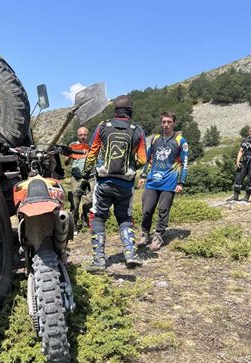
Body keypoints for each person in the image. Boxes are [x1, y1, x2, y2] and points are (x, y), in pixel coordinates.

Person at [80, 95, 147, 268]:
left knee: (98, 216)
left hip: (104, 182)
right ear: (130, 112)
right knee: (125, 217)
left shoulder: (103, 126)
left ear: (115, 111)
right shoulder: (137, 130)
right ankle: (131, 254)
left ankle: (99, 260)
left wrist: (85, 176)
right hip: (125, 183)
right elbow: (142, 159)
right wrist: (130, 164)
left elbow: (92, 153)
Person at [137, 111, 188, 251]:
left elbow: (184, 162)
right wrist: (143, 176)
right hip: (152, 180)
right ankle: (145, 233)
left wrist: (181, 182)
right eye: (164, 122)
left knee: (163, 210)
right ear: (161, 123)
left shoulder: (180, 141)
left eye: (169, 122)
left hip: (169, 181)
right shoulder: (155, 139)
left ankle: (158, 236)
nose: (166, 125)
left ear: (174, 123)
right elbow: (149, 159)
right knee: (147, 209)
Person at [64, 126, 93, 233]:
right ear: (78, 135)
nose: (83, 136)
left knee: (90, 201)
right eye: (80, 134)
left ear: (87, 135)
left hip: (91, 176)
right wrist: (69, 154)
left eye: (84, 134)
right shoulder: (73, 145)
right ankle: (74, 225)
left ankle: (85, 217)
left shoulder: (92, 145)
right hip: (76, 177)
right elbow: (66, 162)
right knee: (74, 202)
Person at [227, 126, 251, 202]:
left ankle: (246, 197)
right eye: (250, 131)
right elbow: (241, 151)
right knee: (238, 177)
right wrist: (237, 161)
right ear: (248, 132)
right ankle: (235, 195)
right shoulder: (244, 140)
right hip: (244, 160)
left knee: (250, 179)